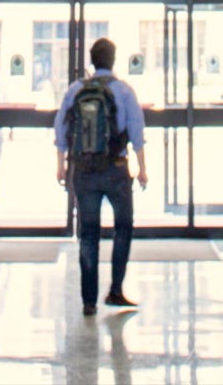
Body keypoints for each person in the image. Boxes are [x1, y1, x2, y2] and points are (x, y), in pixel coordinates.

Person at [52, 37, 147, 317]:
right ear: (113, 60)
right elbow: (137, 133)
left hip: (82, 171)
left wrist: (61, 164)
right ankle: (116, 290)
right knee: (123, 226)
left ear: (92, 62)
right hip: (116, 169)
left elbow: (60, 129)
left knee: (88, 234)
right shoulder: (124, 91)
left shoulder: (75, 90)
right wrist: (142, 168)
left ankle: (89, 301)